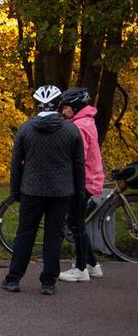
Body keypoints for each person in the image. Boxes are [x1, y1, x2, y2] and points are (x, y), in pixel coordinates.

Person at [1, 85, 86, 296]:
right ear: (59, 104)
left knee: (25, 233)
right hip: (61, 191)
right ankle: (48, 282)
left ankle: (13, 278)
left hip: (31, 189)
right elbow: (78, 165)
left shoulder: (26, 128)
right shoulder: (71, 130)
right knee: (53, 235)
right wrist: (79, 193)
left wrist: (15, 191)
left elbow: (16, 164)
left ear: (36, 104)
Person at [57, 88, 105, 282]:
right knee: (77, 222)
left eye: (66, 107)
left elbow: (77, 157)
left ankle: (81, 268)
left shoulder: (79, 126)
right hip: (90, 178)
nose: (62, 111)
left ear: (75, 107)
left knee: (75, 224)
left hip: (82, 181)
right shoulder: (86, 121)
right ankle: (93, 265)